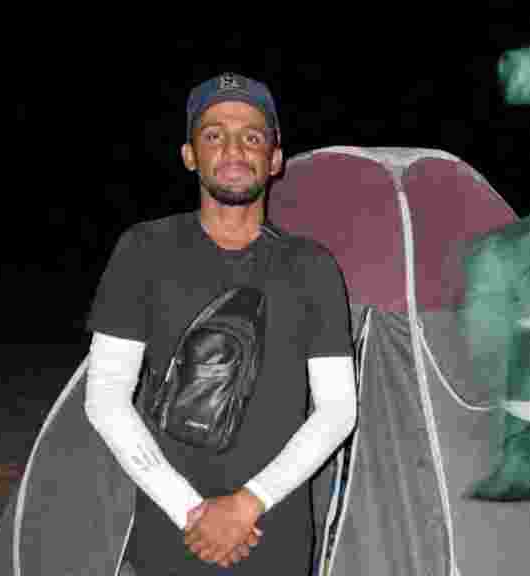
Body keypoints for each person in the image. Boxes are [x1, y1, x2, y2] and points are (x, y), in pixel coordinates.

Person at [84, 72, 358, 574]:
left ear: (275, 159)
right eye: (213, 135)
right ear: (190, 155)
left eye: (252, 136)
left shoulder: (312, 266)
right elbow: (104, 396)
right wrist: (190, 510)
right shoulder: (144, 250)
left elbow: (338, 409)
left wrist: (247, 503)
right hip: (173, 529)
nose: (234, 148)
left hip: (273, 527)